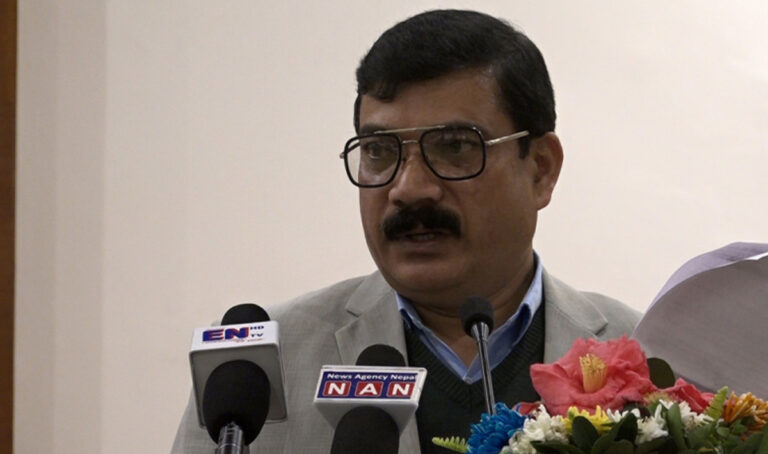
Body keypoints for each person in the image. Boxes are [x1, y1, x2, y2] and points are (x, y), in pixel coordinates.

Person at [172, 9, 639, 454]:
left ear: (540, 169)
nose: (409, 189)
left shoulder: (651, 357)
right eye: (379, 151)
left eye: (455, 147)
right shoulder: (254, 372)